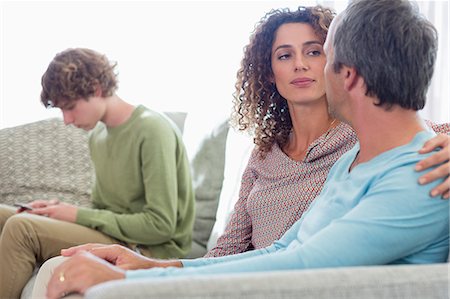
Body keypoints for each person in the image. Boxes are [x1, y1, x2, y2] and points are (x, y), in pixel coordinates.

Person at [43, 0, 450, 297]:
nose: (309, 67)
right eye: (286, 55)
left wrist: (130, 281)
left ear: (349, 75)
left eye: (321, 56)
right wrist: (155, 267)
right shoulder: (353, 161)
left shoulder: (425, 174)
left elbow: (302, 267)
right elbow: (285, 249)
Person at [206, 5, 450, 257]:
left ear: (336, 62)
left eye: (313, 52)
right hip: (253, 279)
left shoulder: (364, 137)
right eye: (284, 56)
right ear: (269, 72)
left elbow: (415, 132)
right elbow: (229, 248)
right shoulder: (263, 154)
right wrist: (176, 274)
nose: (300, 65)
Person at [0, 48, 195, 299]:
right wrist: (58, 210)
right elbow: (105, 208)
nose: (67, 120)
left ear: (96, 89)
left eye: (70, 107)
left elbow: (160, 226)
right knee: (8, 214)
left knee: (21, 227)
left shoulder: (151, 129)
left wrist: (76, 214)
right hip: (115, 234)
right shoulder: (98, 136)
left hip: (148, 248)